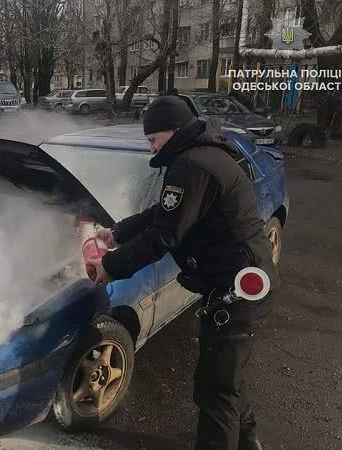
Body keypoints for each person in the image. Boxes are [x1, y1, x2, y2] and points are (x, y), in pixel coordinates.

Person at [87, 95, 279, 450]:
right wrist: (116, 233)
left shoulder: (191, 165)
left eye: (152, 138)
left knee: (215, 388)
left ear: (171, 132)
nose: (151, 146)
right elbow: (164, 212)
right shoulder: (199, 156)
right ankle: (247, 439)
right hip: (237, 281)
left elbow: (164, 236)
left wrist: (110, 267)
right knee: (227, 377)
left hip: (236, 288)